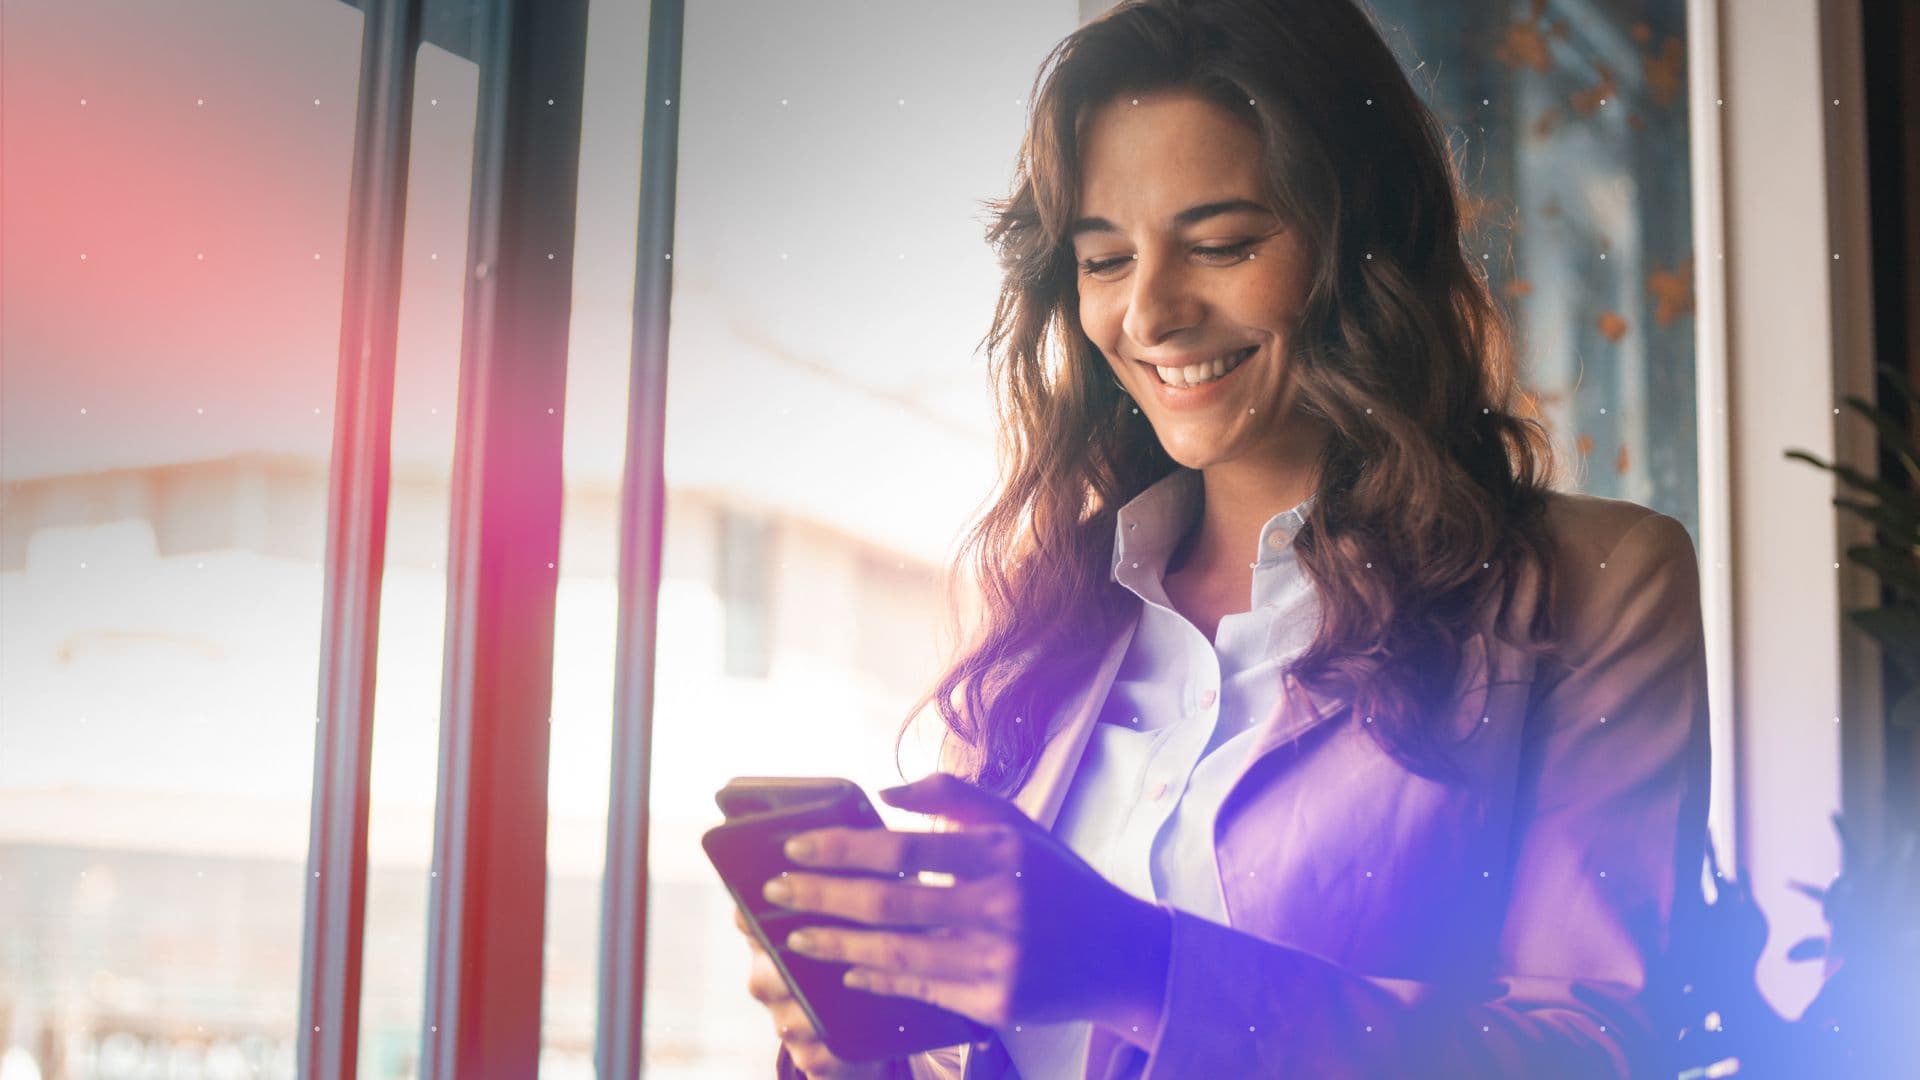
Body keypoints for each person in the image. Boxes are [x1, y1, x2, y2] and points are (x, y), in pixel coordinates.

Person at [735, 0, 1711, 1075]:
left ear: (1366, 243)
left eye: (1223, 244)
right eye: (1104, 260)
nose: (1150, 312)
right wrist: (858, 1041)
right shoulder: (1040, 605)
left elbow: (1591, 1050)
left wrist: (1132, 965)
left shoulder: (1597, 587)